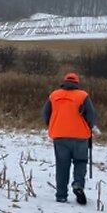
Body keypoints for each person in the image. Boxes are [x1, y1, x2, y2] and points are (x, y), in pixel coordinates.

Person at [43, 72, 99, 205]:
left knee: (62, 165)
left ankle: (61, 195)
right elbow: (91, 115)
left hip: (59, 135)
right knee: (80, 162)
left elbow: (45, 113)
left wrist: (53, 125)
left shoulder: (54, 95)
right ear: (77, 83)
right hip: (80, 136)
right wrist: (89, 127)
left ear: (63, 82)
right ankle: (78, 185)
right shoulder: (83, 95)